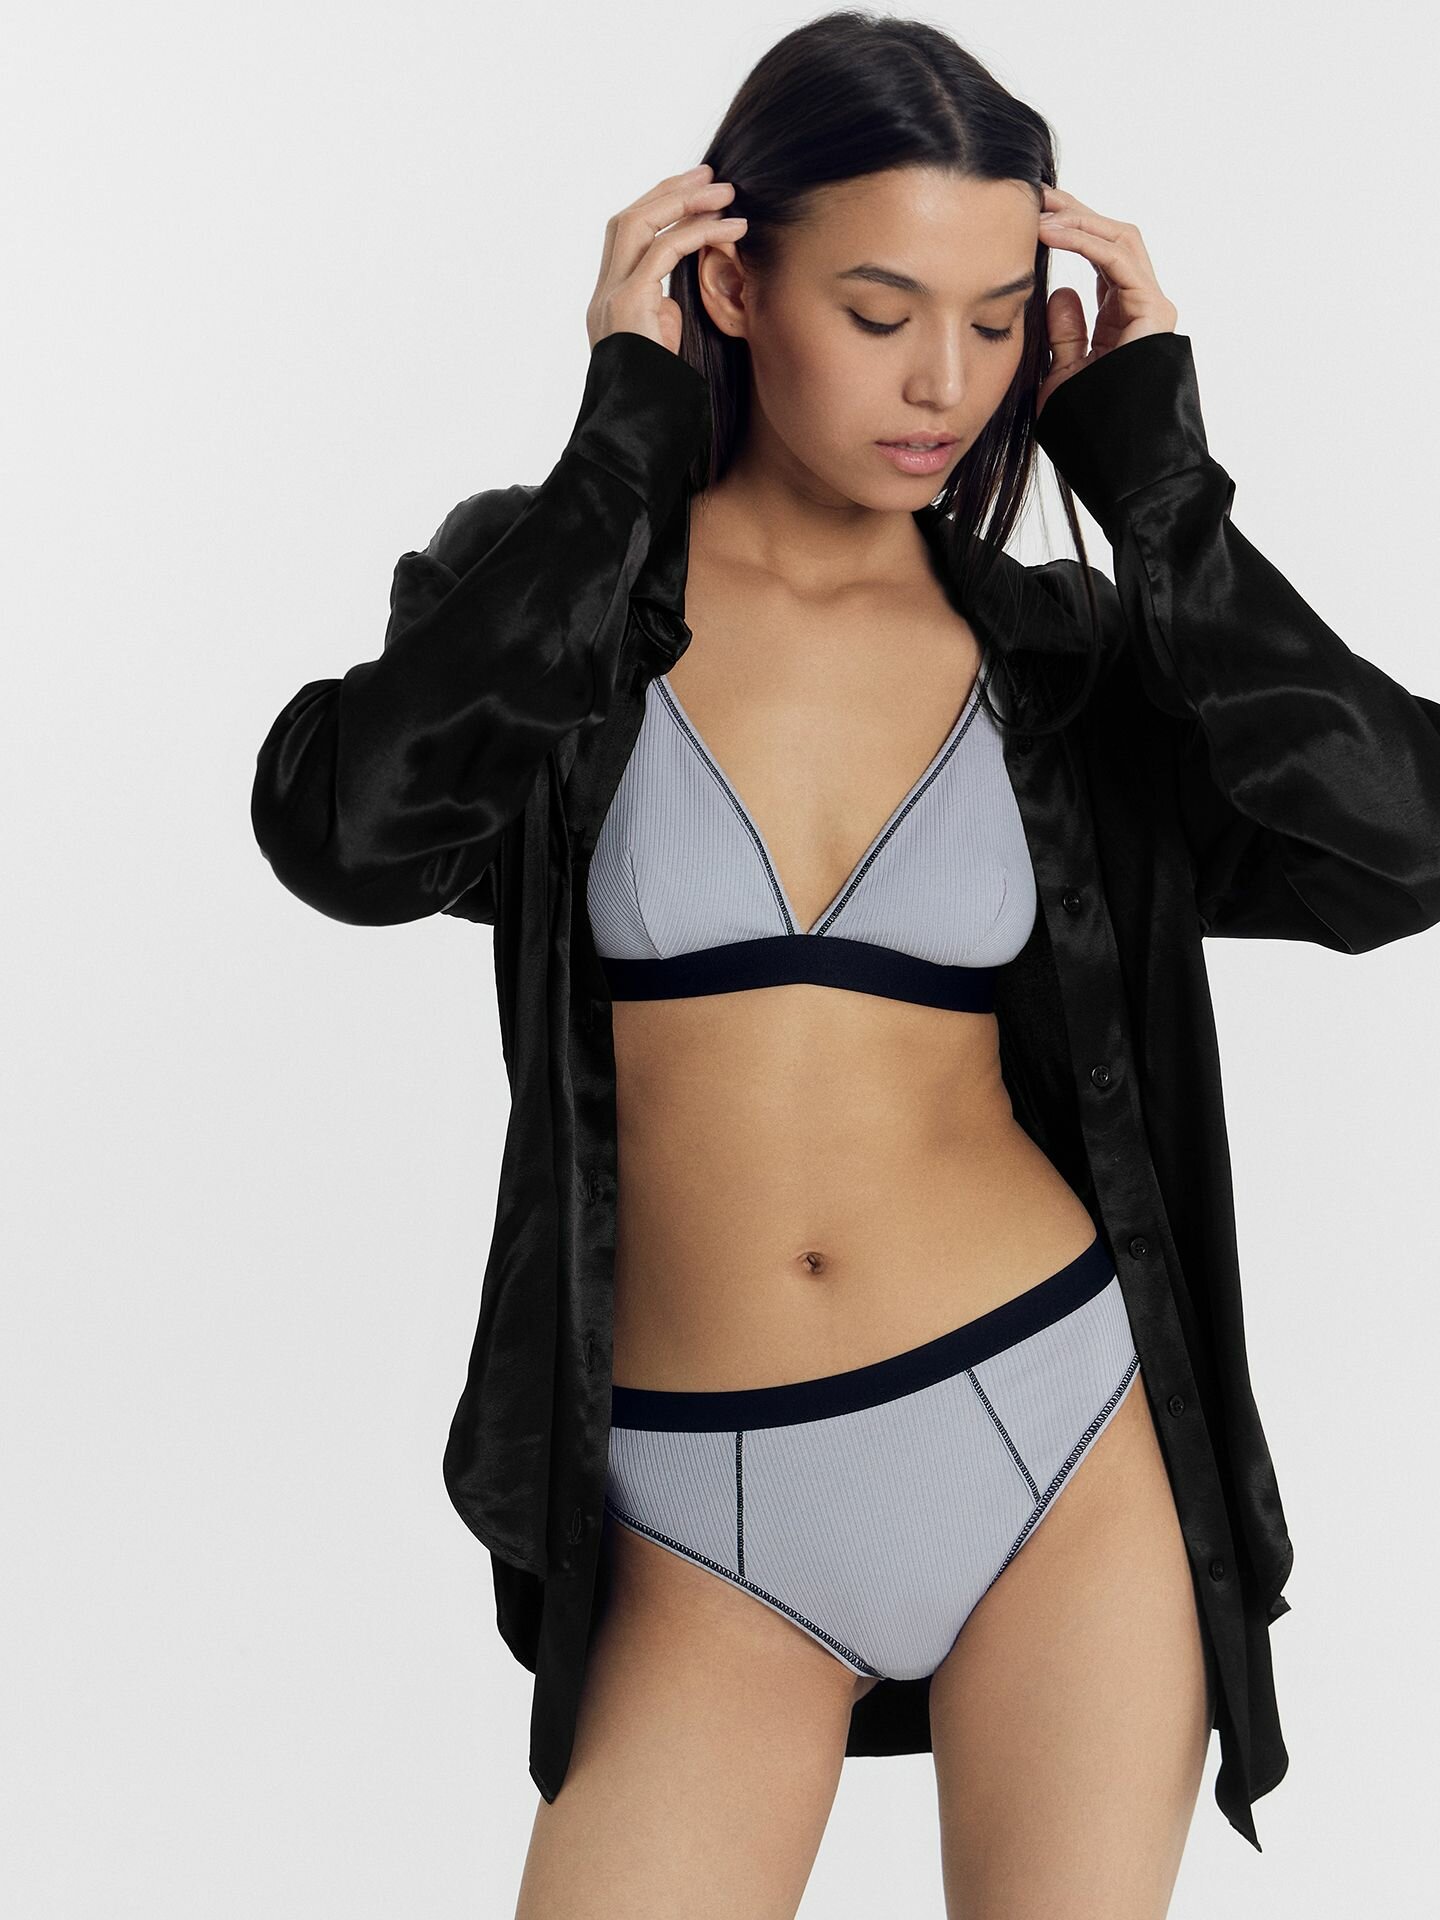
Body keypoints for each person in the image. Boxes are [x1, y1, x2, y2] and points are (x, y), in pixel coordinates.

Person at [250, 13, 1440, 1916]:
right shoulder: (558, 606)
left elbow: (1404, 843)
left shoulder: (1055, 660)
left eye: (997, 320)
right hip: (693, 1510)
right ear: (732, 284)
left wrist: (1162, 490)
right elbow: (347, 837)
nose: (944, 381)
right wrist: (617, 454)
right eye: (879, 311)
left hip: (1059, 1430)